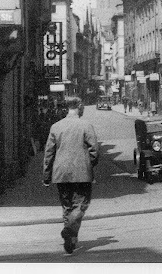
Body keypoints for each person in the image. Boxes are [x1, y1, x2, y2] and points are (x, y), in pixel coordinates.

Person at [42, 96, 99, 255]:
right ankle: (69, 230)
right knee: (81, 204)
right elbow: (94, 150)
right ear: (79, 107)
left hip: (61, 174)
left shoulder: (55, 127)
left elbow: (49, 154)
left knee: (67, 206)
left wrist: (46, 176)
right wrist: (89, 164)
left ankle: (71, 241)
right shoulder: (86, 125)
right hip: (81, 173)